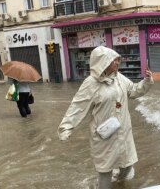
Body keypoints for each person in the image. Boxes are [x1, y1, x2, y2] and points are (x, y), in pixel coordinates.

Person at [57, 46, 154, 189]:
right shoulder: (91, 83)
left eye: (117, 60)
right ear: (102, 62)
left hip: (123, 130)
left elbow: (133, 91)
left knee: (127, 164)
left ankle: (119, 183)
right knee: (105, 170)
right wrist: (66, 127)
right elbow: (78, 106)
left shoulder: (119, 78)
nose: (117, 63)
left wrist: (146, 81)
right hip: (104, 135)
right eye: (113, 60)